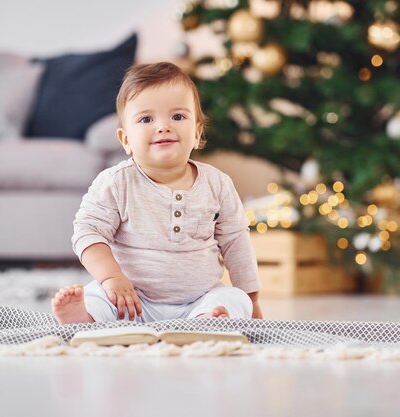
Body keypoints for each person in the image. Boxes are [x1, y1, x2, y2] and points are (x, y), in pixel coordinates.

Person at [52, 62, 262, 324]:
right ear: (125, 139)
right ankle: (85, 317)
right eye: (146, 119)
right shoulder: (116, 183)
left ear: (197, 133)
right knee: (98, 295)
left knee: (233, 298)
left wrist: (251, 300)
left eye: (178, 117)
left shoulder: (217, 184)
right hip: (131, 301)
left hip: (198, 299)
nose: (163, 126)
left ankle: (207, 320)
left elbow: (236, 243)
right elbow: (87, 232)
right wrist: (111, 277)